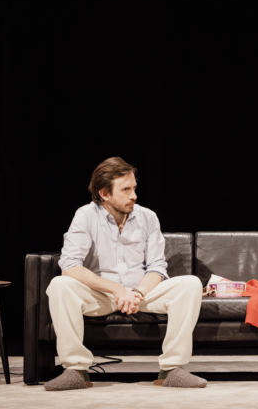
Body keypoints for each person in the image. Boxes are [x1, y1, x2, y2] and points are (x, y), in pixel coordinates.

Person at [44, 157, 206, 391]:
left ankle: (172, 370)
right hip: (102, 295)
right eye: (126, 190)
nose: (134, 196)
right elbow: (70, 266)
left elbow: (157, 268)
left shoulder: (148, 217)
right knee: (60, 285)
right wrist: (118, 290)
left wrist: (137, 292)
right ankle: (76, 370)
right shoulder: (86, 215)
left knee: (190, 284)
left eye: (134, 188)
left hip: (141, 294)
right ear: (104, 194)